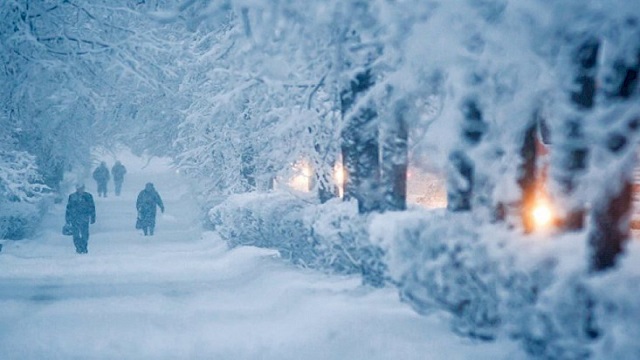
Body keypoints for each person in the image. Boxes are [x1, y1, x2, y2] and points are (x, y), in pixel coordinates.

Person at [65, 183, 96, 254]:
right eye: (79, 188)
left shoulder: (88, 196)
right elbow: (68, 208)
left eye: (81, 188)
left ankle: (84, 246)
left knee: (85, 233)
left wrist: (93, 217)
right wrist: (68, 218)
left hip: (85, 217)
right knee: (76, 234)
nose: (80, 190)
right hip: (74, 218)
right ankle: (78, 247)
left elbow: (92, 207)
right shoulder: (72, 197)